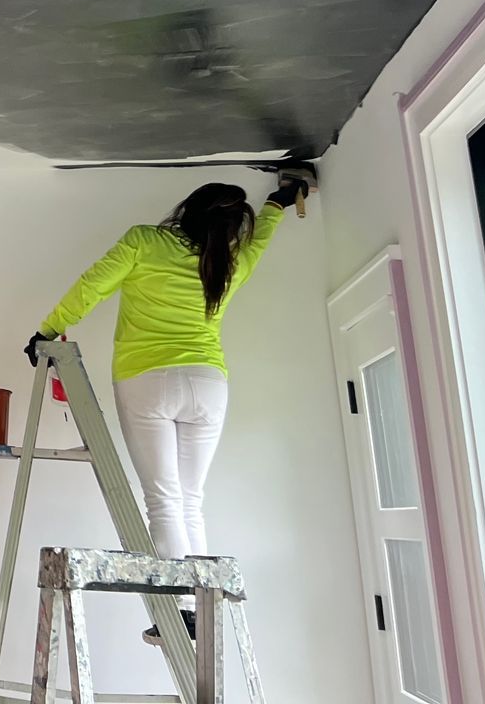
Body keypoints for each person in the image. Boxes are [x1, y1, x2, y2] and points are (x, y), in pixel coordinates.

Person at [25, 171, 311, 639]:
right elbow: (260, 243)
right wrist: (278, 204)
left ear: (187, 210)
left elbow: (92, 285)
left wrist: (49, 330)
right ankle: (200, 605)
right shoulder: (230, 262)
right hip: (208, 383)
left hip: (147, 380)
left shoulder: (145, 242)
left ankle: (178, 611)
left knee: (163, 499)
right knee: (189, 500)